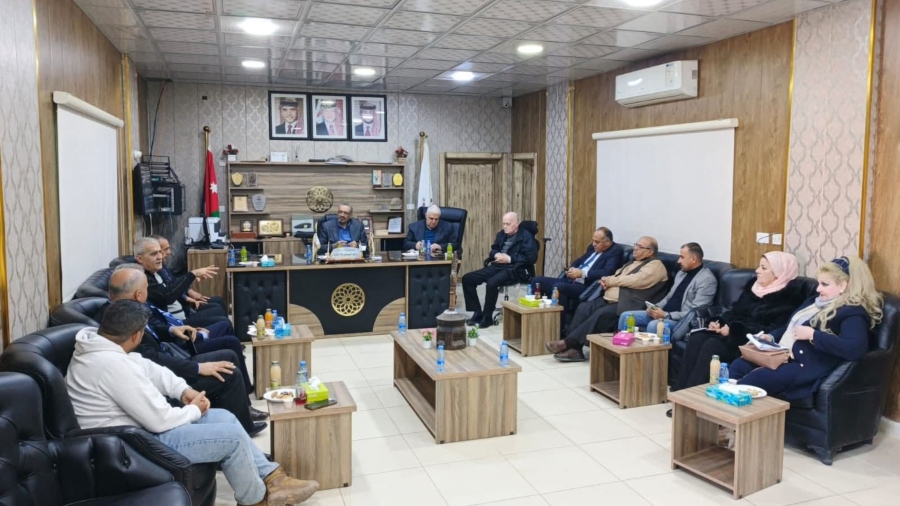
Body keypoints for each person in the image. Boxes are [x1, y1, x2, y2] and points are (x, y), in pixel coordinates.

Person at [66, 299, 318, 506]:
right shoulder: (111, 365)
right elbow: (159, 420)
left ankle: (274, 479)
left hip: (134, 433)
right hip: (128, 445)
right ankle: (256, 501)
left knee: (225, 417)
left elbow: (151, 369)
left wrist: (183, 390)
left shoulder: (103, 346)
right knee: (231, 439)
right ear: (136, 335)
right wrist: (193, 410)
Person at [101, 266, 268, 436]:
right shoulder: (122, 320)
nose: (148, 292)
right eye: (146, 288)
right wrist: (197, 368)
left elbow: (151, 333)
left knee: (228, 356)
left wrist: (172, 330)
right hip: (166, 371)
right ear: (139, 294)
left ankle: (243, 412)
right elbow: (152, 358)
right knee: (228, 372)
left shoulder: (120, 310)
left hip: (168, 361)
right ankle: (243, 427)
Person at [729, 256, 883, 400]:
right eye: (819, 283)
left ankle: (738, 414)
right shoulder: (814, 301)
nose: (818, 289)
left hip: (805, 365)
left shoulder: (852, 313)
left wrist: (813, 335)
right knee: (739, 365)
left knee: (757, 379)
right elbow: (790, 326)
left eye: (825, 284)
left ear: (843, 286)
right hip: (783, 355)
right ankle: (729, 413)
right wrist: (771, 337)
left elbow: (855, 348)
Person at [668, 252, 805, 406]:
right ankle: (681, 392)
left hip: (750, 344)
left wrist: (733, 330)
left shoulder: (789, 298)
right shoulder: (754, 286)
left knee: (711, 346)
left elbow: (771, 330)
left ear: (778, 273)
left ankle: (694, 402)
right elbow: (734, 312)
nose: (757, 271)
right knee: (697, 338)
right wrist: (719, 322)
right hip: (730, 336)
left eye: (763, 268)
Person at [545, 236, 668, 361]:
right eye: (636, 244)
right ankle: (573, 347)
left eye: (640, 247)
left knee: (601, 314)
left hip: (631, 303)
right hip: (611, 298)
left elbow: (636, 280)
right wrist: (606, 281)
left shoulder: (655, 266)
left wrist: (611, 281)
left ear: (650, 251)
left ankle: (568, 344)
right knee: (584, 308)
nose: (635, 248)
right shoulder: (634, 262)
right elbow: (617, 275)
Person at [528, 227, 624, 335]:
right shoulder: (593, 248)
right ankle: (535, 322)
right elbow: (578, 261)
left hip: (586, 286)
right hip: (572, 279)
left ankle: (558, 330)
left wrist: (583, 273)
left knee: (559, 287)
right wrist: (572, 269)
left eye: (597, 242)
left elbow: (607, 271)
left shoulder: (615, 251)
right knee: (537, 280)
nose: (593, 244)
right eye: (593, 240)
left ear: (607, 242)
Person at [617, 242, 718, 340]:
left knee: (655, 325)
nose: (678, 261)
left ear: (693, 259)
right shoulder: (681, 273)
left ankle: (651, 352)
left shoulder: (707, 280)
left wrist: (667, 315)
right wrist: (655, 308)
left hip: (681, 322)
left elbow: (694, 313)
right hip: (664, 315)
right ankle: (623, 346)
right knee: (626, 316)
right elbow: (669, 297)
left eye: (682, 257)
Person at [462, 212, 537, 328]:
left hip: (515, 269)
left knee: (492, 283)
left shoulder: (526, 237)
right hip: (497, 265)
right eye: (504, 224)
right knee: (468, 278)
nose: (505, 226)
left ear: (516, 224)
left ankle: (487, 317)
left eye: (508, 224)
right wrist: (496, 254)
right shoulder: (501, 234)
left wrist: (509, 259)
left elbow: (531, 258)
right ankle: (477, 312)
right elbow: (493, 249)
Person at [135, 237, 227, 329]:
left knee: (219, 306)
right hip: (176, 324)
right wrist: (193, 274)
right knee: (224, 322)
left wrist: (189, 292)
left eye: (160, 252)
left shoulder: (155, 270)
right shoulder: (142, 278)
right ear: (139, 258)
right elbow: (167, 295)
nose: (160, 257)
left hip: (183, 311)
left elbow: (173, 284)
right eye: (154, 254)